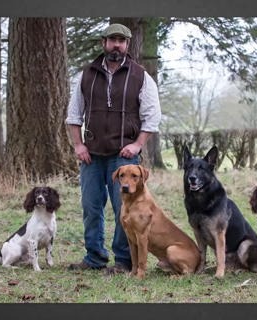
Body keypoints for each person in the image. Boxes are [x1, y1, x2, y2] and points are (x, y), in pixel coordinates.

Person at [65, 23, 162, 275]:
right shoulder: (87, 74)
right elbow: (74, 114)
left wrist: (138, 144)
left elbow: (152, 116)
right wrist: (78, 145)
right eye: (112, 40)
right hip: (92, 156)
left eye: (121, 40)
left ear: (128, 45)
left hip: (124, 157)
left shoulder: (140, 76)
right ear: (103, 43)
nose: (116, 44)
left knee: (125, 210)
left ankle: (123, 261)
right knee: (91, 206)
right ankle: (95, 257)